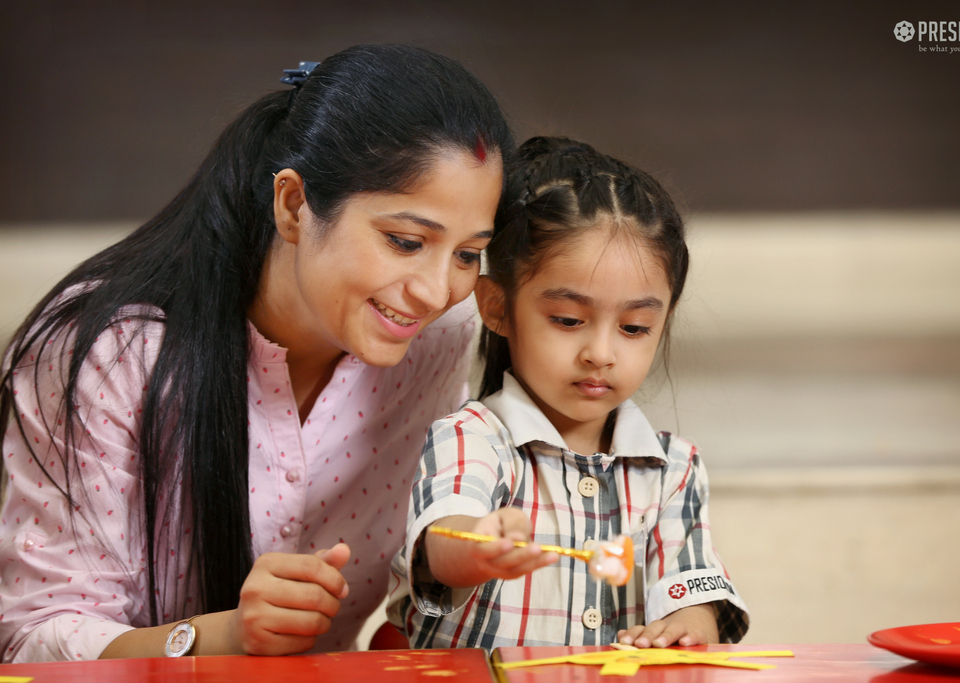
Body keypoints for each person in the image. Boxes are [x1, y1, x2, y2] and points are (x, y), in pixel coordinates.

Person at [0, 44, 514, 662]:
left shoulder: (439, 336)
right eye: (405, 241)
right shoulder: (112, 353)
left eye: (466, 254)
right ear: (294, 205)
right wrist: (224, 637)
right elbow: (31, 641)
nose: (436, 292)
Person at [388, 137, 749, 649]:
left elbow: (693, 590)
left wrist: (688, 629)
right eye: (568, 320)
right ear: (496, 308)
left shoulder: (673, 469)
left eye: (634, 328)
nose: (600, 352)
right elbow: (443, 546)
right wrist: (479, 546)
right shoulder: (473, 440)